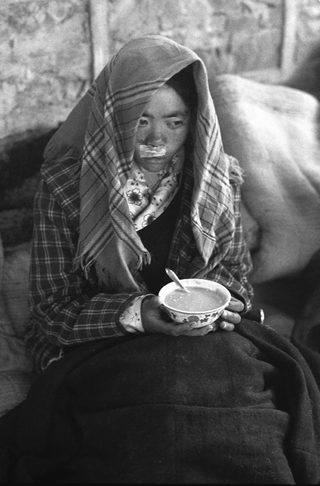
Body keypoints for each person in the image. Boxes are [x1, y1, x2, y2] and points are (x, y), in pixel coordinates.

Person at [1, 35, 319, 484]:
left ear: (195, 121)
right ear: (113, 117)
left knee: (240, 400)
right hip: (104, 344)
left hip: (205, 343)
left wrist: (227, 305)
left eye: (175, 121)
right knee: (151, 411)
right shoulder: (67, 186)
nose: (157, 139)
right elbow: (52, 311)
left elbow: (236, 279)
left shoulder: (217, 178)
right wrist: (140, 314)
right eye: (140, 120)